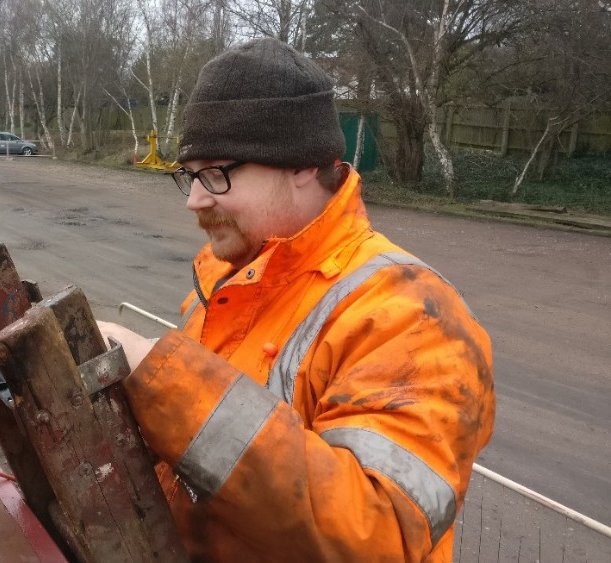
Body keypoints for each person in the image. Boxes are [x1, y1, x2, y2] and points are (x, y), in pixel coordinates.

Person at [98, 38, 496, 562]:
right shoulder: (227, 280)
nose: (195, 199)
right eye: (190, 175)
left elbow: (378, 534)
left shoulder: (412, 315)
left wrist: (156, 373)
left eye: (217, 173)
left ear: (303, 165)